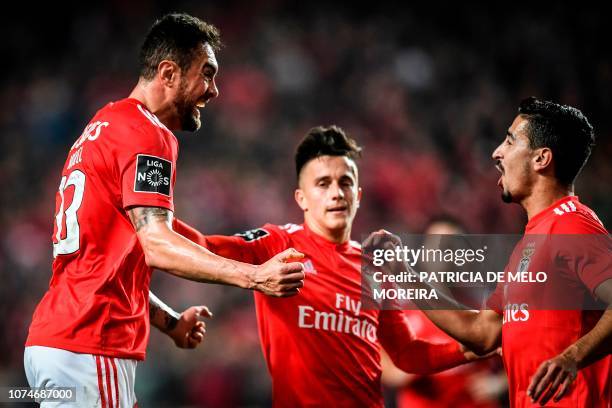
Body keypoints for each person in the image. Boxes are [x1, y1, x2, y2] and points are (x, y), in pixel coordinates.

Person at [24, 13, 304, 407]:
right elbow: (157, 244)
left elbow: (110, 267)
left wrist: (171, 324)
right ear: (169, 73)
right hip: (91, 345)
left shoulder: (103, 126)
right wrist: (255, 277)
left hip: (56, 344)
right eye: (206, 74)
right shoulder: (147, 133)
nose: (214, 90)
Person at [172, 126, 485, 407]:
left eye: (345, 182)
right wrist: (153, 217)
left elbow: (406, 354)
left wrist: (473, 347)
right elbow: (206, 245)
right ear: (301, 198)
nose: (336, 193)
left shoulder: (374, 268)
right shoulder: (277, 243)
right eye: (323, 183)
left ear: (358, 196)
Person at [375, 97, 611, 407]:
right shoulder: (530, 242)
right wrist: (403, 273)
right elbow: (482, 332)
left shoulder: (571, 224)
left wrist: (572, 358)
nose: (496, 152)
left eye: (510, 141)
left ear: (541, 159)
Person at [381, 216, 507, 408]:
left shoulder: (485, 309)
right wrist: (423, 363)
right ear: (424, 252)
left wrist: (499, 384)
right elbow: (386, 371)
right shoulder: (398, 311)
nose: (446, 253)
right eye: (438, 244)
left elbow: (523, 352)